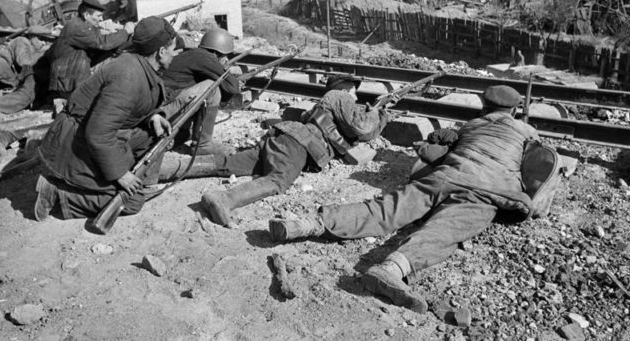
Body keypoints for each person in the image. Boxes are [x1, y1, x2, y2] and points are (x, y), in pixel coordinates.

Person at [268, 85, 560, 313]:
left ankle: (306, 224)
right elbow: (542, 167)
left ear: (484, 106)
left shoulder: (472, 126)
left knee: (387, 209)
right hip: (485, 191)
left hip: (444, 176)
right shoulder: (525, 130)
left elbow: (443, 140)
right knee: (446, 229)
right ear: (513, 110)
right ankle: (392, 269)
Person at [166, 74, 390, 227]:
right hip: (296, 146)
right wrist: (377, 115)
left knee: (228, 163)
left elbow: (362, 131)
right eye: (353, 91)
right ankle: (224, 199)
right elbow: (362, 126)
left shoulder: (332, 105)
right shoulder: (338, 96)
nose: (356, 97)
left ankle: (165, 169)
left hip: (282, 140)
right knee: (277, 181)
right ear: (343, 88)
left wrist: (380, 114)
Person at [33, 16, 183, 221]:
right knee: (131, 201)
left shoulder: (138, 65)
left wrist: (153, 117)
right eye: (174, 49)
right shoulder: (128, 76)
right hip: (75, 143)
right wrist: (120, 174)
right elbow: (98, 133)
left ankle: (134, 180)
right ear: (161, 51)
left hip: (92, 134)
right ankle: (58, 193)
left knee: (155, 136)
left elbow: (129, 108)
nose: (175, 54)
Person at [45, 0, 134, 110]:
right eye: (98, 16)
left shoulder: (81, 25)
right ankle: (67, 100)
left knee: (109, 56)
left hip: (69, 78)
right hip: (67, 83)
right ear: (86, 15)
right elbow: (102, 42)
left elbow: (98, 37)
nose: (101, 20)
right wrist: (125, 31)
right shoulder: (77, 27)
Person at [161, 28, 241, 155]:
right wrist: (227, 72)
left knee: (188, 133)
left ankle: (173, 139)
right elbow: (232, 88)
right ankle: (202, 146)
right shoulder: (205, 58)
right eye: (226, 55)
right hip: (163, 111)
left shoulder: (195, 55)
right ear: (217, 52)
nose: (226, 59)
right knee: (212, 87)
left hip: (161, 110)